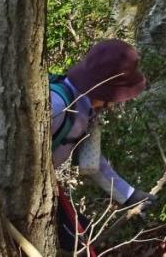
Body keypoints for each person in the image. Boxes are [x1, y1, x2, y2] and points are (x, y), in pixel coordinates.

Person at [52, 39, 153, 254]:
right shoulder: (58, 107)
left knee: (80, 235)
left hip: (40, 185)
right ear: (107, 92)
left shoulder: (86, 109)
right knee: (73, 242)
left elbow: (92, 162)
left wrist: (129, 196)